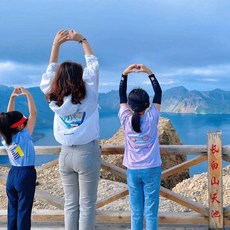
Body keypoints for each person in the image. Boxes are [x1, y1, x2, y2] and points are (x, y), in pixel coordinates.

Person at [40, 29, 101, 230]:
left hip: (65, 155)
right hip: (87, 153)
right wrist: (82, 39)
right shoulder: (89, 94)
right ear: (80, 78)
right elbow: (93, 65)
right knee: (87, 205)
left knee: (70, 204)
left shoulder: (53, 97)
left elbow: (50, 73)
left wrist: (55, 45)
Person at [118, 64, 162, 230]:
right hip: (152, 168)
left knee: (136, 212)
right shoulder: (153, 116)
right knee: (150, 213)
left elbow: (121, 96)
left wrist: (124, 75)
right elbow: (159, 93)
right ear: (148, 104)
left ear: (129, 105)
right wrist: (149, 72)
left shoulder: (125, 118)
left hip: (133, 170)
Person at [0, 87, 37, 230]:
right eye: (25, 121)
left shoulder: (6, 136)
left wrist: (12, 98)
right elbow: (33, 113)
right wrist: (28, 95)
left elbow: (8, 118)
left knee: (13, 211)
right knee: (24, 211)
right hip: (26, 174)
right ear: (21, 125)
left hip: (12, 175)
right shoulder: (25, 135)